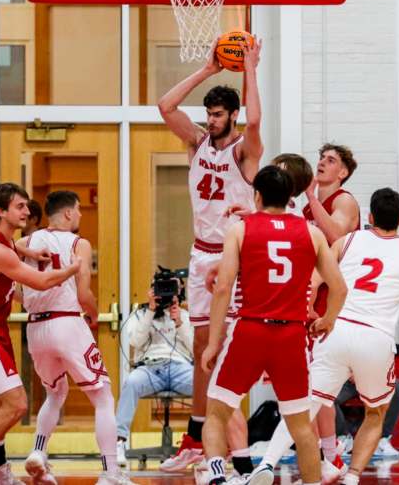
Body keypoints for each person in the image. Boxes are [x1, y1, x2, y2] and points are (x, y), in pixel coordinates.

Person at [244, 188, 399, 485]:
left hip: (337, 330)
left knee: (303, 409)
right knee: (376, 413)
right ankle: (351, 477)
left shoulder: (347, 241)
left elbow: (313, 280)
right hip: (375, 339)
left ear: (371, 217)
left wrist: (313, 310)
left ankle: (268, 463)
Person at [201, 165, 348, 485]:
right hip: (291, 336)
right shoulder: (312, 233)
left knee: (217, 412)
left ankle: (216, 478)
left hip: (250, 331)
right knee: (300, 428)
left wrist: (213, 342)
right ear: (290, 196)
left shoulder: (240, 229)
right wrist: (327, 320)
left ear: (257, 195)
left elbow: (223, 288)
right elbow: (339, 288)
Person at [157, 36, 263, 474]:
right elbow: (165, 106)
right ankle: (196, 438)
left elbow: (256, 121)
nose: (211, 120)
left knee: (226, 351)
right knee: (202, 347)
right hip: (201, 254)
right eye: (209, 114)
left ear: (232, 115)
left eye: (219, 114)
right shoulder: (197, 142)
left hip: (235, 258)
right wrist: (207, 70)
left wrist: (249, 68)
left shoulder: (244, 150)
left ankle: (231, 446)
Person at [0, 183, 82, 485]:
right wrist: (74, 268)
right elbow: (41, 282)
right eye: (20, 206)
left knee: (0, 399)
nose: (27, 211)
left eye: (26, 205)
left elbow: (12, 248)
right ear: (1, 211)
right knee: (16, 403)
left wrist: (29, 249)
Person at [15, 190, 133, 485]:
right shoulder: (79, 243)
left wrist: (25, 253)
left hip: (36, 327)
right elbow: (83, 293)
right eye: (79, 210)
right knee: (103, 396)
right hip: (66, 321)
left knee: (55, 392)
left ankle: (39, 452)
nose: (80, 215)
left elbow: (4, 250)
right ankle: (110, 473)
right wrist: (92, 313)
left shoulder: (28, 242)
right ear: (68, 213)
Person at [303, 144, 360, 475]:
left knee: (318, 383)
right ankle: (329, 456)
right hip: (312, 297)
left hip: (332, 303)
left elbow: (336, 236)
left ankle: (331, 454)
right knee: (312, 383)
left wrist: (310, 199)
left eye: (331, 161)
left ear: (343, 172)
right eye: (321, 159)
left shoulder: (344, 200)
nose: (322, 164)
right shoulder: (309, 205)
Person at [115, 291, 194, 465]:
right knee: (131, 383)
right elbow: (135, 341)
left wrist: (179, 322)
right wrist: (150, 311)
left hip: (180, 367)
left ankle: (199, 444)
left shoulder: (186, 316)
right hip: (150, 368)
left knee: (207, 388)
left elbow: (195, 349)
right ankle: (119, 441)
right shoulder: (141, 314)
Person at [334, 378, 399, 456]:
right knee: (326, 396)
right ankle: (342, 439)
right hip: (344, 378)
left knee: (397, 388)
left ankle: (381, 440)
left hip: (372, 377)